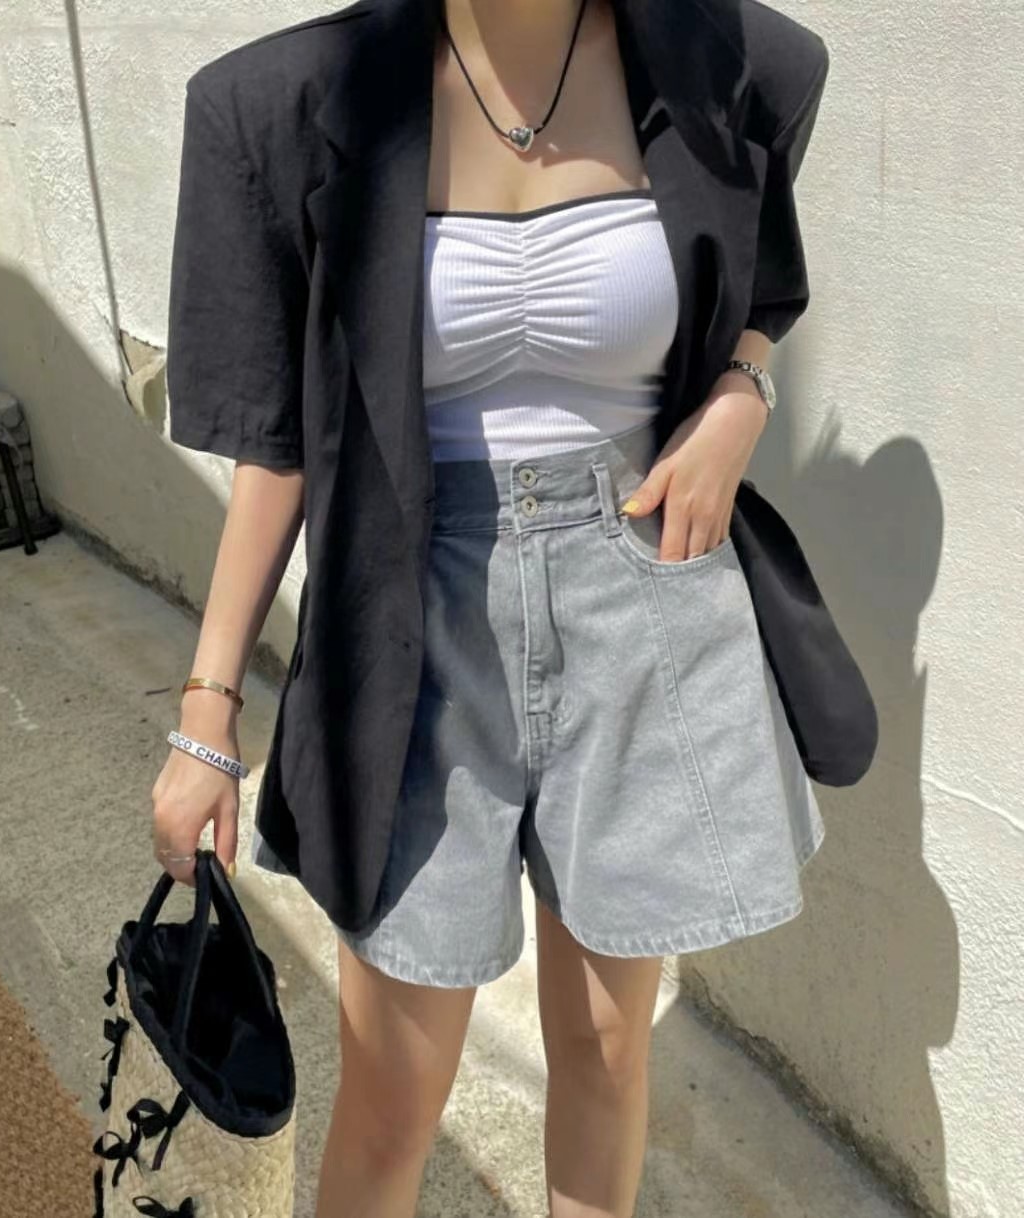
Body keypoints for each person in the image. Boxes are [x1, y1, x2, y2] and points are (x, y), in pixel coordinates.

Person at [152, 0, 832, 1213]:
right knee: (395, 1088)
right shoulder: (290, 103)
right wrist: (208, 712)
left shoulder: (721, 60)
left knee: (609, 1051)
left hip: (640, 593)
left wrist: (741, 393)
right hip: (411, 616)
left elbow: (759, 275)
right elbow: (277, 445)